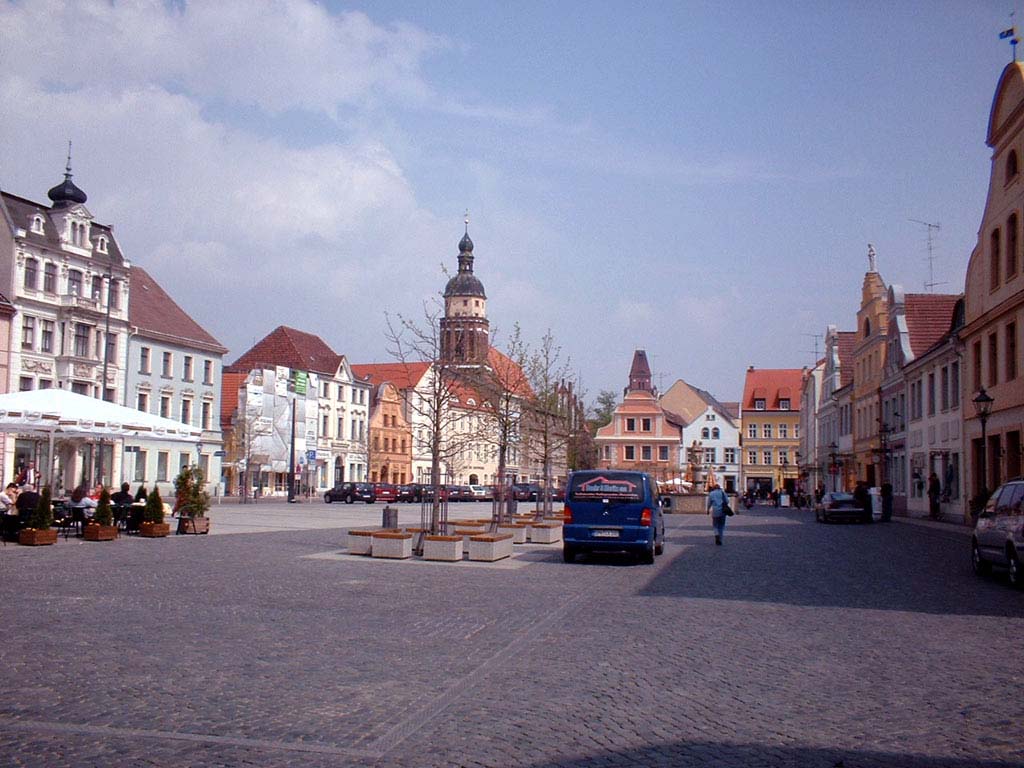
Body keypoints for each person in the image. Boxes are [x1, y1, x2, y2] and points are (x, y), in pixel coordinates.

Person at [706, 481, 729, 546]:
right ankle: (720, 539)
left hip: (715, 511)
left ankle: (716, 535)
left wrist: (708, 510)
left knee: (715, 525)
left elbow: (709, 503)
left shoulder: (711, 493)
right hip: (722, 511)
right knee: (721, 526)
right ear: (719, 488)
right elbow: (727, 501)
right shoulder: (722, 493)